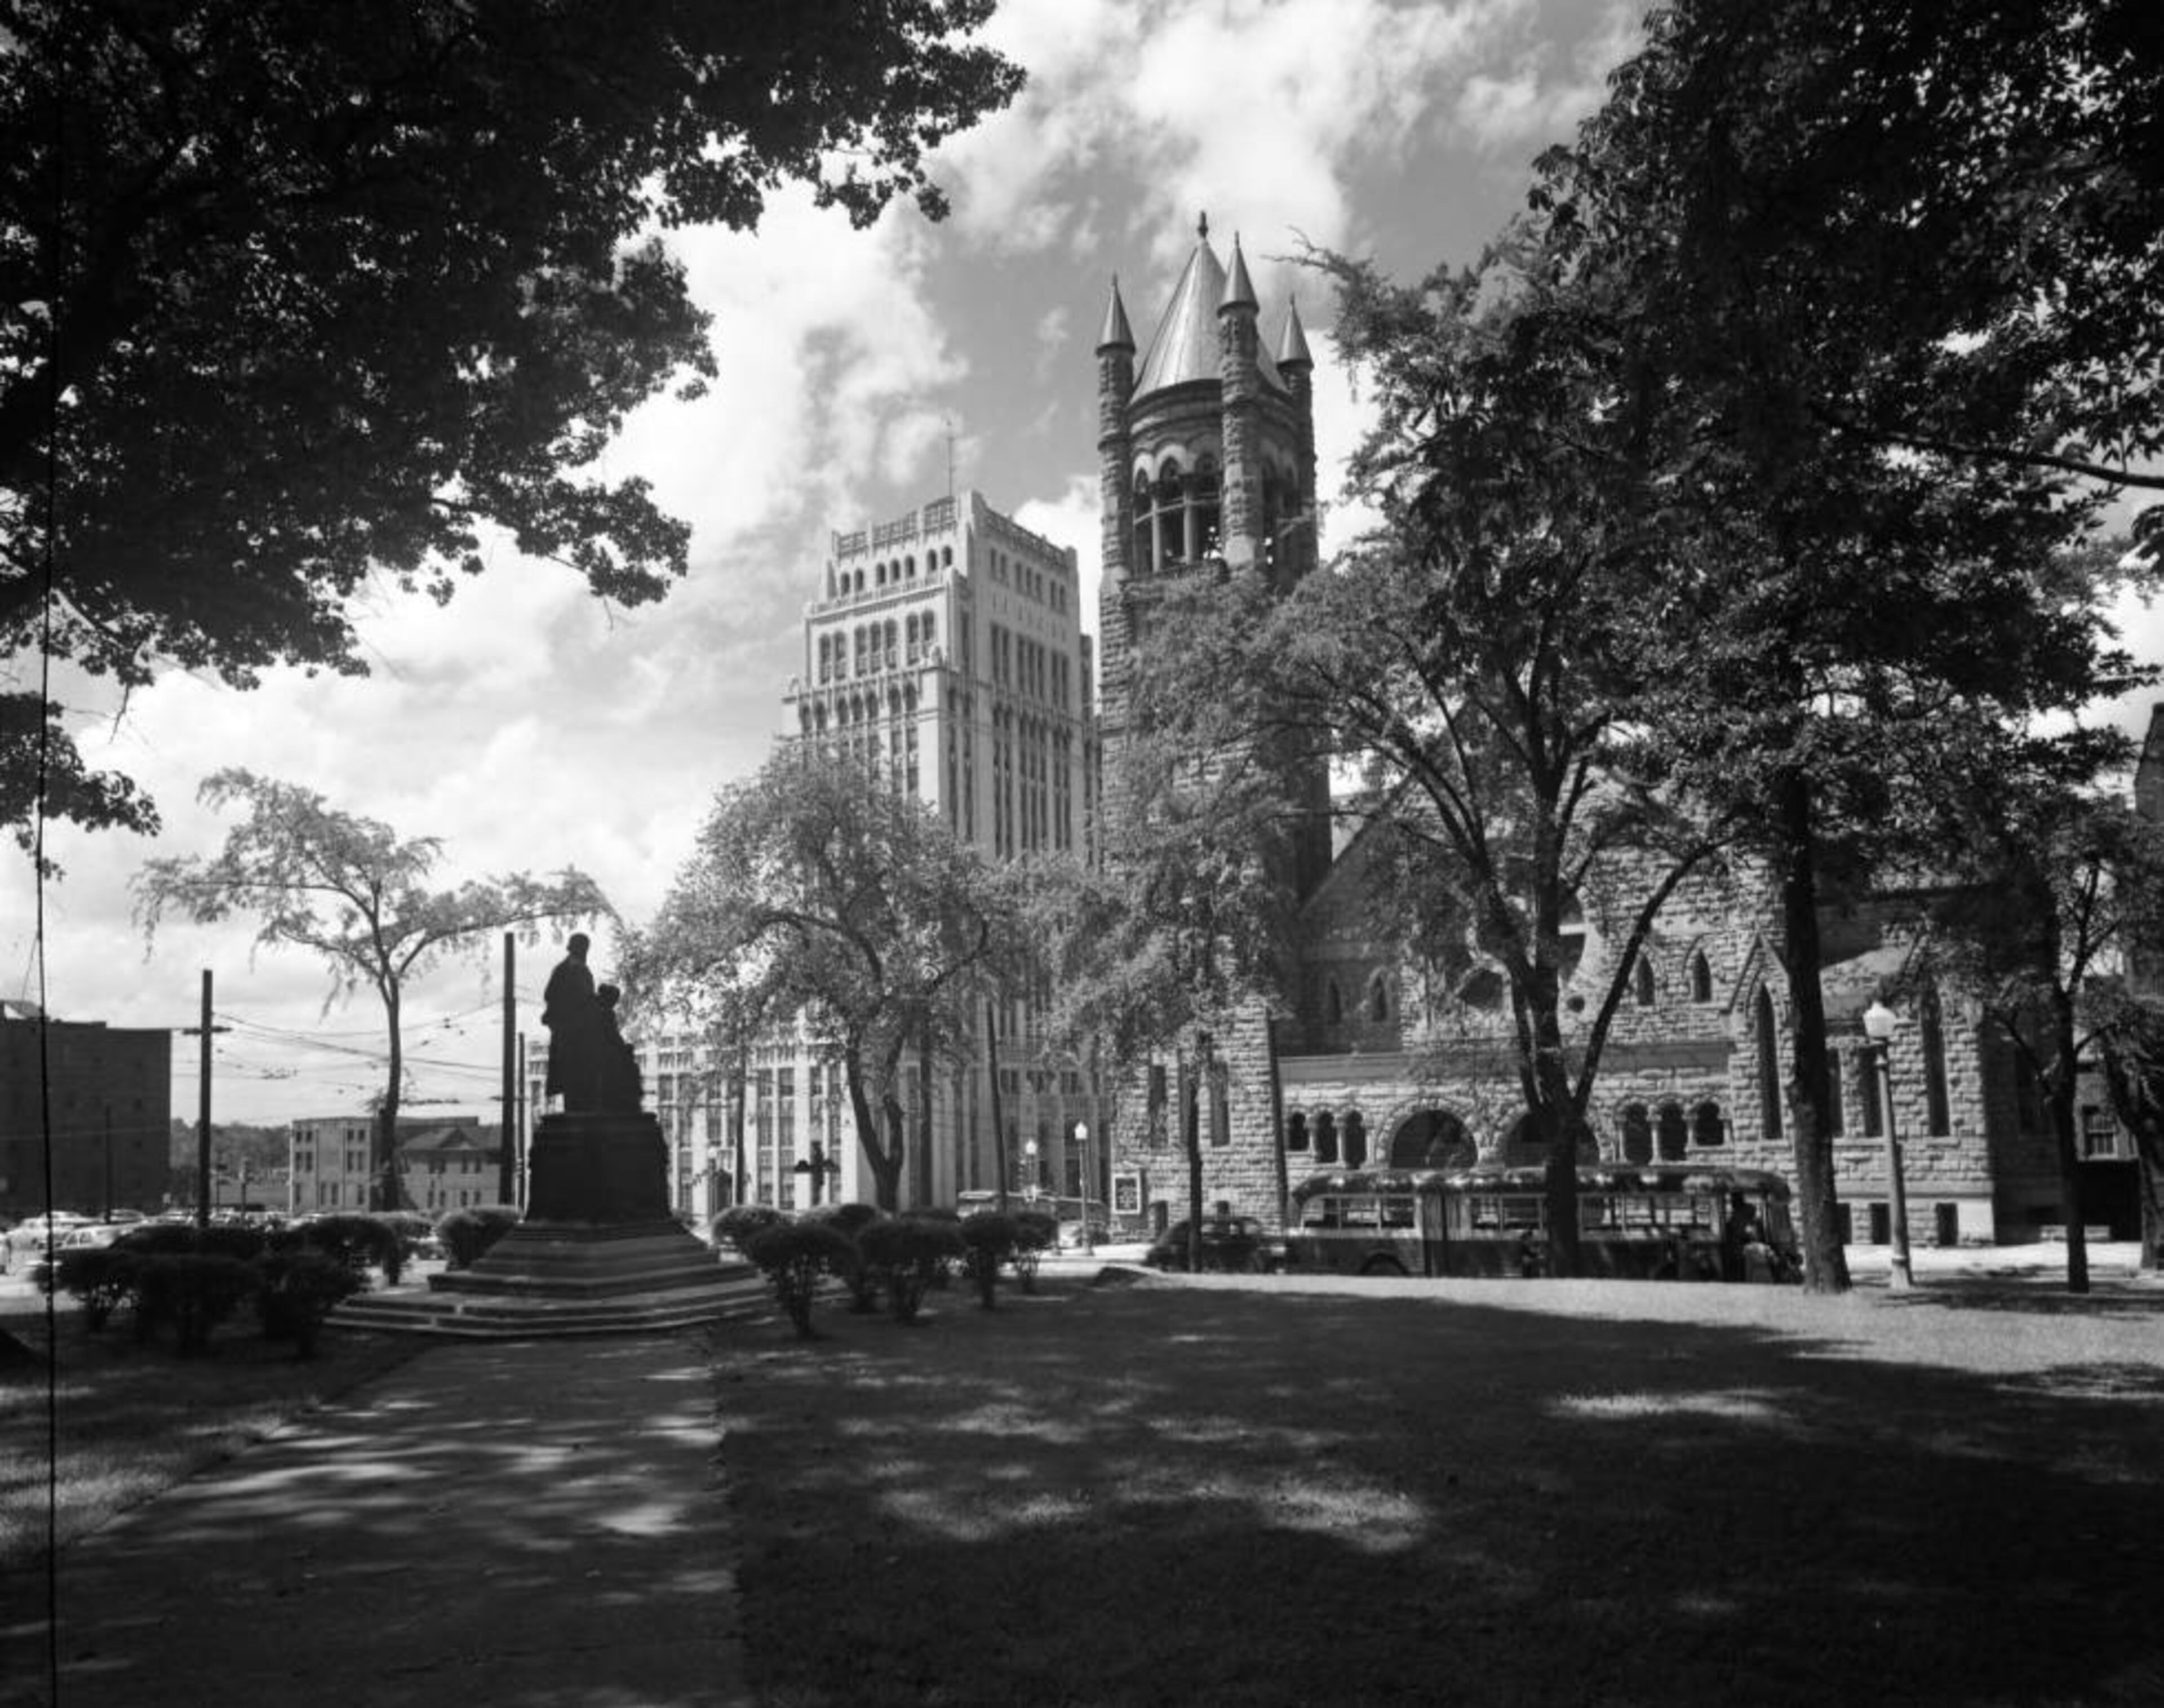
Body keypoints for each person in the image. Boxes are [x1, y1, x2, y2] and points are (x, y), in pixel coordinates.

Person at [542, 934, 603, 1112]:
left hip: (581, 1031)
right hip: (571, 1031)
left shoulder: (578, 969)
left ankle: (581, 1109)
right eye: (583, 948)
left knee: (582, 1075)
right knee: (574, 1074)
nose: (585, 952)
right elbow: (551, 995)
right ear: (577, 948)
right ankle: (576, 1111)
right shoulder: (566, 970)